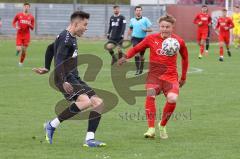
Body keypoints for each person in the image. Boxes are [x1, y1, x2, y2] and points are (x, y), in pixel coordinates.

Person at [118, 15, 189, 139]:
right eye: (162, 26)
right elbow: (136, 49)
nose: (165, 29)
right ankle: (151, 129)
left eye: (168, 27)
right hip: (154, 76)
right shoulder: (151, 38)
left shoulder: (179, 41)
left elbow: (185, 58)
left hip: (170, 77)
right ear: (159, 27)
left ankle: (162, 125)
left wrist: (183, 77)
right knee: (150, 94)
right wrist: (126, 57)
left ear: (172, 27)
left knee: (172, 98)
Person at [42, 11, 106, 147]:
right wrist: (63, 80)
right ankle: (51, 125)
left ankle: (89, 140)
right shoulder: (66, 39)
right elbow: (58, 60)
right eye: (85, 24)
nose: (86, 28)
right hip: (65, 77)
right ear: (76, 24)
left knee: (98, 103)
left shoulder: (69, 36)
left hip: (74, 77)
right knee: (85, 101)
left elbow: (49, 49)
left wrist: (46, 67)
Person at [127, 6, 152, 75]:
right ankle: (137, 70)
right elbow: (130, 29)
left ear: (141, 11)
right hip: (134, 38)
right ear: (135, 11)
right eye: (137, 10)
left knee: (142, 57)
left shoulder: (145, 19)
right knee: (136, 53)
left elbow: (151, 29)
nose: (138, 11)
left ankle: (141, 68)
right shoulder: (132, 20)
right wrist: (127, 37)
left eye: (140, 10)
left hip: (143, 39)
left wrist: (145, 30)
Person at [12, 2, 34, 66]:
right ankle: (18, 51)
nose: (26, 8)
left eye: (27, 7)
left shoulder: (31, 17)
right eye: (25, 6)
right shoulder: (18, 15)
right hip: (19, 34)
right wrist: (15, 26)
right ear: (23, 7)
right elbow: (13, 22)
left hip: (27, 35)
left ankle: (21, 63)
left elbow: (32, 28)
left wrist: (30, 25)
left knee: (24, 50)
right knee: (19, 48)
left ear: (29, 8)